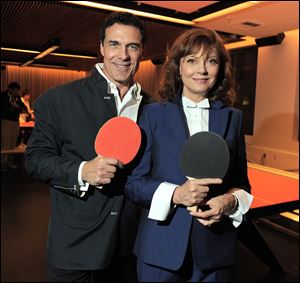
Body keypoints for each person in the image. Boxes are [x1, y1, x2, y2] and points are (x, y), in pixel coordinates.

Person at [24, 12, 152, 282]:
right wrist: (83, 171)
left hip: (130, 245)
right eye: (115, 44)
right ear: (102, 48)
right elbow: (34, 159)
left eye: (132, 46)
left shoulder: (153, 107)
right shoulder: (58, 100)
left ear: (142, 52)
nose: (123, 55)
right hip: (74, 245)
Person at [125, 27, 254, 282]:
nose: (202, 70)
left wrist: (230, 202)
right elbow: (134, 184)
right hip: (160, 251)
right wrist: (175, 194)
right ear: (179, 67)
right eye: (192, 60)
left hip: (216, 253)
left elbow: (242, 183)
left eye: (211, 61)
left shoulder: (233, 118)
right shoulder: (152, 115)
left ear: (221, 68)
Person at [1, 81, 27, 170]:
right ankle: (3, 164)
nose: (16, 93)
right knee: (6, 142)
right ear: (10, 89)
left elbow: (24, 108)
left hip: (15, 121)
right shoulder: (2, 96)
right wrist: (13, 106)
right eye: (15, 91)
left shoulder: (16, 97)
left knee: (13, 142)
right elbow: (4, 107)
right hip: (6, 121)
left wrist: (18, 108)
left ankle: (10, 163)